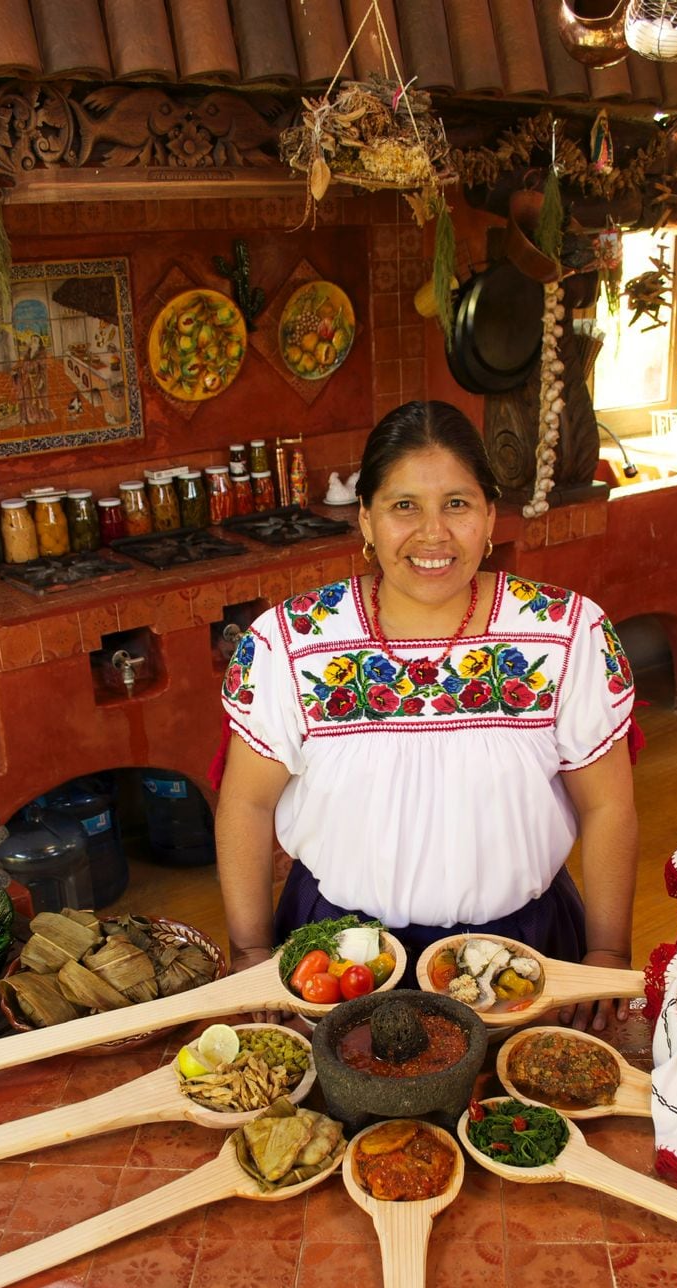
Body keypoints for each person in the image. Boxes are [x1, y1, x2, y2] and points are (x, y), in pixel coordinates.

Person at [213, 401, 638, 1032]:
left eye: (458, 505)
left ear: (491, 514)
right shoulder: (292, 642)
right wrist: (249, 951)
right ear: (366, 519)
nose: (432, 534)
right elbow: (245, 805)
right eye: (403, 505)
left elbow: (608, 806)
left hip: (523, 952)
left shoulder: (564, 633)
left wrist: (606, 951)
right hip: (337, 963)